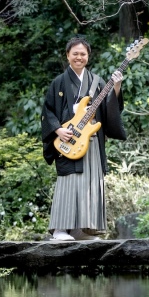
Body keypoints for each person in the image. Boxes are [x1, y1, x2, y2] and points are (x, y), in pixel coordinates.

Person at [41, 36, 127, 241]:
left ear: (88, 56)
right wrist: (57, 130)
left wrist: (116, 88)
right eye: (75, 53)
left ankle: (84, 231)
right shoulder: (59, 82)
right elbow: (47, 111)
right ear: (68, 55)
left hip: (91, 140)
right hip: (69, 138)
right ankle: (61, 229)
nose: (79, 57)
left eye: (83, 54)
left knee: (91, 182)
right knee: (68, 182)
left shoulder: (97, 82)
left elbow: (108, 111)